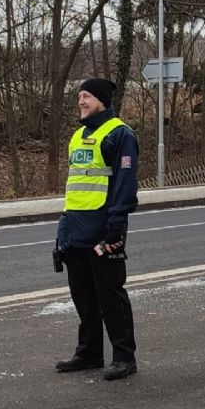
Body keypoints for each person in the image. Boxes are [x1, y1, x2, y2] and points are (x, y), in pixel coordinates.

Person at [52, 78, 140, 380]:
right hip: (75, 229)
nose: (80, 101)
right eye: (79, 96)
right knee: (83, 297)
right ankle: (89, 352)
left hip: (104, 229)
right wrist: (63, 231)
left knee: (111, 296)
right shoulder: (77, 136)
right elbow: (74, 187)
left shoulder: (120, 134)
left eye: (86, 96)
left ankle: (124, 357)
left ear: (102, 100)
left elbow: (124, 184)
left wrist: (116, 225)